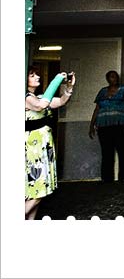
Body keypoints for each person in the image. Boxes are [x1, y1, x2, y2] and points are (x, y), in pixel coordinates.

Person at [26, 67, 77, 219]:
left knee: (38, 193)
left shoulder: (40, 96)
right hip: (32, 150)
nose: (37, 77)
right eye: (32, 75)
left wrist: (69, 86)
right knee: (36, 191)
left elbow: (61, 101)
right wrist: (55, 81)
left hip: (43, 149)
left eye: (37, 74)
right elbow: (40, 105)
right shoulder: (26, 97)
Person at [88, 70, 124, 183]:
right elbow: (97, 109)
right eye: (110, 77)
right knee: (106, 153)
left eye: (114, 76)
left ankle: (123, 177)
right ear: (107, 79)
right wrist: (91, 125)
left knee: (123, 152)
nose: (113, 78)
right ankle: (107, 178)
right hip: (104, 126)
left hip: (120, 125)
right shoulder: (103, 92)